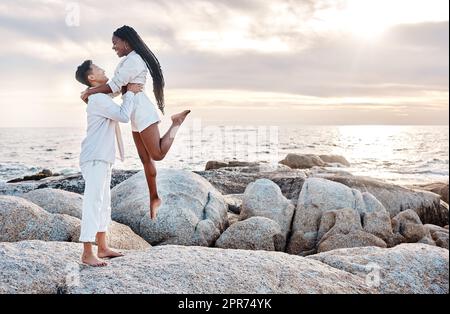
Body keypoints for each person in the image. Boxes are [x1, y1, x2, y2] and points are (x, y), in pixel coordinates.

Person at [81, 25, 190, 220]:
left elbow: (113, 86)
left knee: (157, 154)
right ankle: (154, 197)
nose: (114, 47)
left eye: (115, 43)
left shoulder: (134, 61)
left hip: (142, 110)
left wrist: (90, 91)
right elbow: (115, 90)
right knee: (145, 159)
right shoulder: (125, 62)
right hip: (133, 112)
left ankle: (176, 123)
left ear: (126, 42)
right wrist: (95, 95)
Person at [76, 60, 142, 267]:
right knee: (93, 202)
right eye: (99, 69)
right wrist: (130, 93)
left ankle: (102, 248)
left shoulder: (98, 96)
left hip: (102, 157)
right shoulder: (97, 99)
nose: (104, 70)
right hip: (95, 157)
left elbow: (113, 90)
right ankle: (87, 252)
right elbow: (123, 116)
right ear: (91, 78)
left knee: (104, 204)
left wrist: (126, 87)